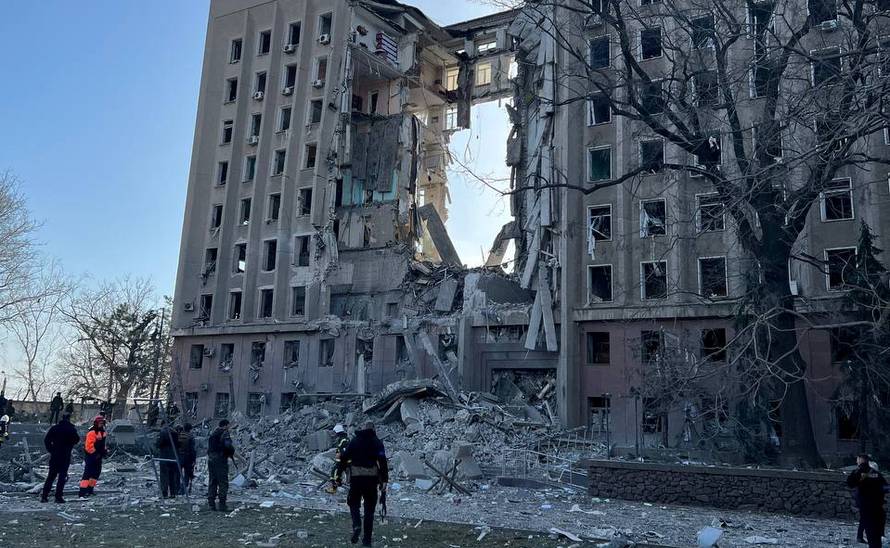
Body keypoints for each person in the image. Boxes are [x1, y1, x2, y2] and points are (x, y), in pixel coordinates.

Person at [335, 421, 388, 547]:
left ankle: (357, 525)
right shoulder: (377, 442)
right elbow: (382, 461)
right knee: (369, 510)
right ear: (373, 429)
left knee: (353, 503)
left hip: (356, 478)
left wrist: (338, 476)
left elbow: (343, 458)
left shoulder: (355, 441)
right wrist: (385, 480)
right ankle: (367, 541)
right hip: (371, 480)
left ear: (363, 428)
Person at [847, 454, 888, 548]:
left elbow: (850, 483)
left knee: (870, 529)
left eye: (857, 459)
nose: (856, 461)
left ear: (860, 460)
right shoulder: (876, 473)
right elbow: (886, 487)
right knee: (877, 531)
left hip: (865, 505)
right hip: (877, 506)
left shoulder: (858, 472)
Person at [41, 413, 80, 503]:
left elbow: (47, 440)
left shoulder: (55, 428)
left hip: (55, 455)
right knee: (62, 477)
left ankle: (44, 496)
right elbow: (76, 440)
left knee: (51, 476)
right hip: (65, 455)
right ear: (69, 419)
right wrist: (69, 445)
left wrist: (51, 449)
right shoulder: (71, 429)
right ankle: (58, 497)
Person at [207, 419, 235, 511]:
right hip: (220, 459)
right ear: (225, 425)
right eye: (228, 425)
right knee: (223, 481)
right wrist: (231, 452)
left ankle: (211, 503)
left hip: (211, 459)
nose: (229, 427)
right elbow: (228, 445)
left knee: (213, 480)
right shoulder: (225, 433)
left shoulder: (213, 433)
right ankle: (222, 504)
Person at [78, 415, 108, 498]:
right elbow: (89, 446)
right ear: (96, 423)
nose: (101, 424)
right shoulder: (92, 432)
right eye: (100, 423)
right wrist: (95, 454)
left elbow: (103, 444)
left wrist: (104, 452)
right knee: (88, 473)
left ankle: (90, 489)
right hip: (91, 456)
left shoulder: (103, 432)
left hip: (98, 456)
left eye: (102, 423)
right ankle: (83, 492)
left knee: (96, 473)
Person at [156, 421, 180, 498]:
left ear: (163, 424)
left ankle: (164, 493)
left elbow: (159, 443)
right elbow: (178, 444)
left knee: (164, 475)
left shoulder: (163, 432)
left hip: (164, 456)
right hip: (173, 456)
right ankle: (173, 493)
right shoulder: (175, 432)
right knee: (172, 475)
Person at [326, 424, 349, 493]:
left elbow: (344, 451)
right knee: (335, 472)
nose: (334, 434)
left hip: (344, 461)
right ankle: (334, 487)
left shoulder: (344, 440)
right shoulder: (342, 439)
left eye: (335, 432)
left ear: (338, 432)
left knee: (335, 473)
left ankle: (333, 488)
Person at [178, 423, 196, 495]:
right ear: (190, 429)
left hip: (179, 456)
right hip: (188, 457)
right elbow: (192, 449)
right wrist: (194, 460)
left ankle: (176, 488)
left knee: (178, 473)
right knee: (187, 474)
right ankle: (183, 489)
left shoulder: (179, 435)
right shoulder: (191, 436)